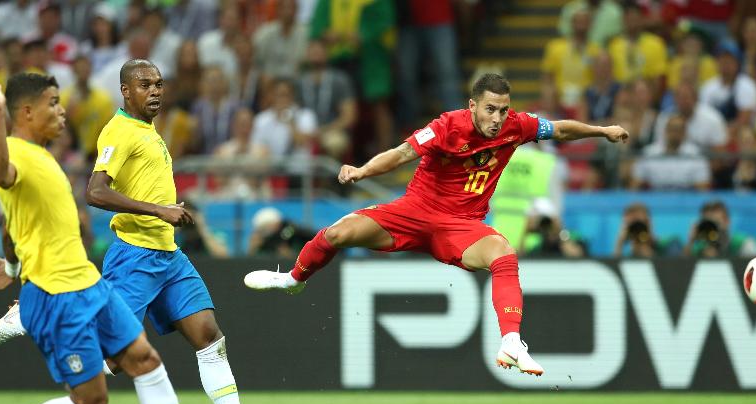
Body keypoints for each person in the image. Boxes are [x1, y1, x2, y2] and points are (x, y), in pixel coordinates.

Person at [0, 60, 295, 404]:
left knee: (209, 337)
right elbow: (95, 191)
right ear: (125, 91)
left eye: (160, 84)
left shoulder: (148, 130)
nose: (156, 91)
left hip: (169, 256)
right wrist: (157, 210)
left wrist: (162, 218)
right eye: (145, 84)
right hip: (136, 256)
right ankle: (26, 314)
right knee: (113, 361)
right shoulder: (118, 130)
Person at [243, 73, 630, 376]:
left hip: (461, 225)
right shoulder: (447, 126)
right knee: (339, 232)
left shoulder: (518, 125)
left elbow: (560, 129)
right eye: (491, 109)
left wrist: (602, 131)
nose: (498, 119)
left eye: (503, 110)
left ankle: (511, 341)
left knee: (504, 254)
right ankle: (294, 279)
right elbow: (399, 155)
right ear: (473, 106)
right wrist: (361, 171)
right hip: (414, 212)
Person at [0, 72, 229, 404]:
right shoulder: (14, 154)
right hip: (56, 294)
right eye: (52, 102)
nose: (62, 109)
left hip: (89, 284)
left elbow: (13, 227)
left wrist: (11, 268)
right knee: (92, 401)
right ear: (26, 112)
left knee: (145, 361)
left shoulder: (45, 158)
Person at [630, 114, 711, 191]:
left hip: (686, 200)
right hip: (655, 199)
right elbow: (635, 185)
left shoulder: (696, 155)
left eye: (679, 130)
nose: (675, 134)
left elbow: (703, 188)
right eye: (672, 129)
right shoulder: (649, 153)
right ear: (665, 131)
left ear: (685, 133)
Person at [685, 200, 756, 258]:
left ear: (727, 222)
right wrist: (690, 241)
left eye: (716, 223)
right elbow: (680, 268)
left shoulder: (743, 244)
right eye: (708, 225)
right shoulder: (700, 248)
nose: (713, 229)